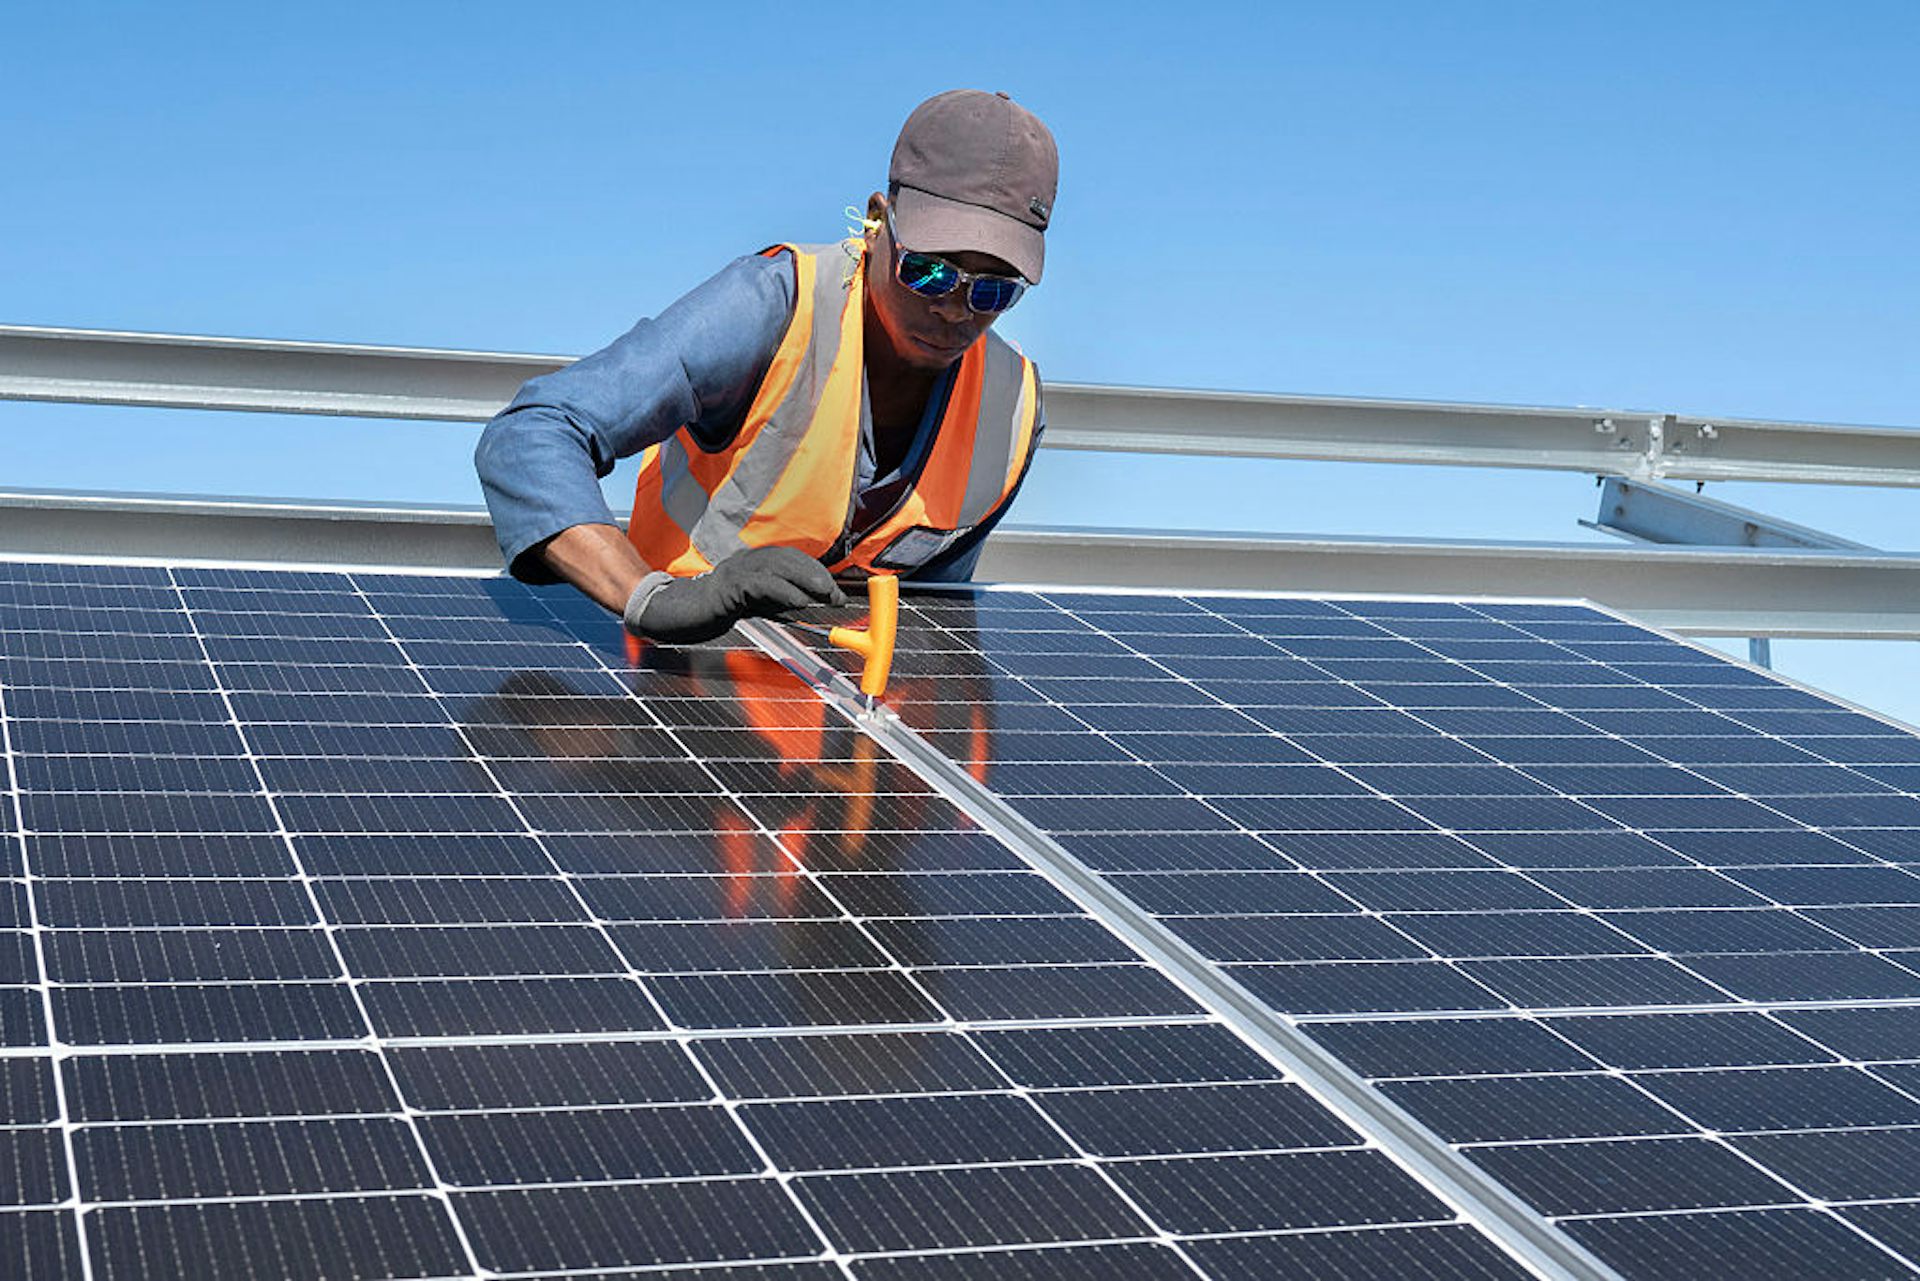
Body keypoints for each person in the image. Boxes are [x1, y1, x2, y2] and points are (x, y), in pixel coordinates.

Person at [476, 89, 1058, 644]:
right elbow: (532, 433)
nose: (954, 310)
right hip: (670, 677)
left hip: (840, 710)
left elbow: (933, 624)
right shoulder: (772, 308)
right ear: (879, 220)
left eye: (994, 293)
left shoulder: (1009, 411)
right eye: (929, 271)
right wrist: (650, 598)